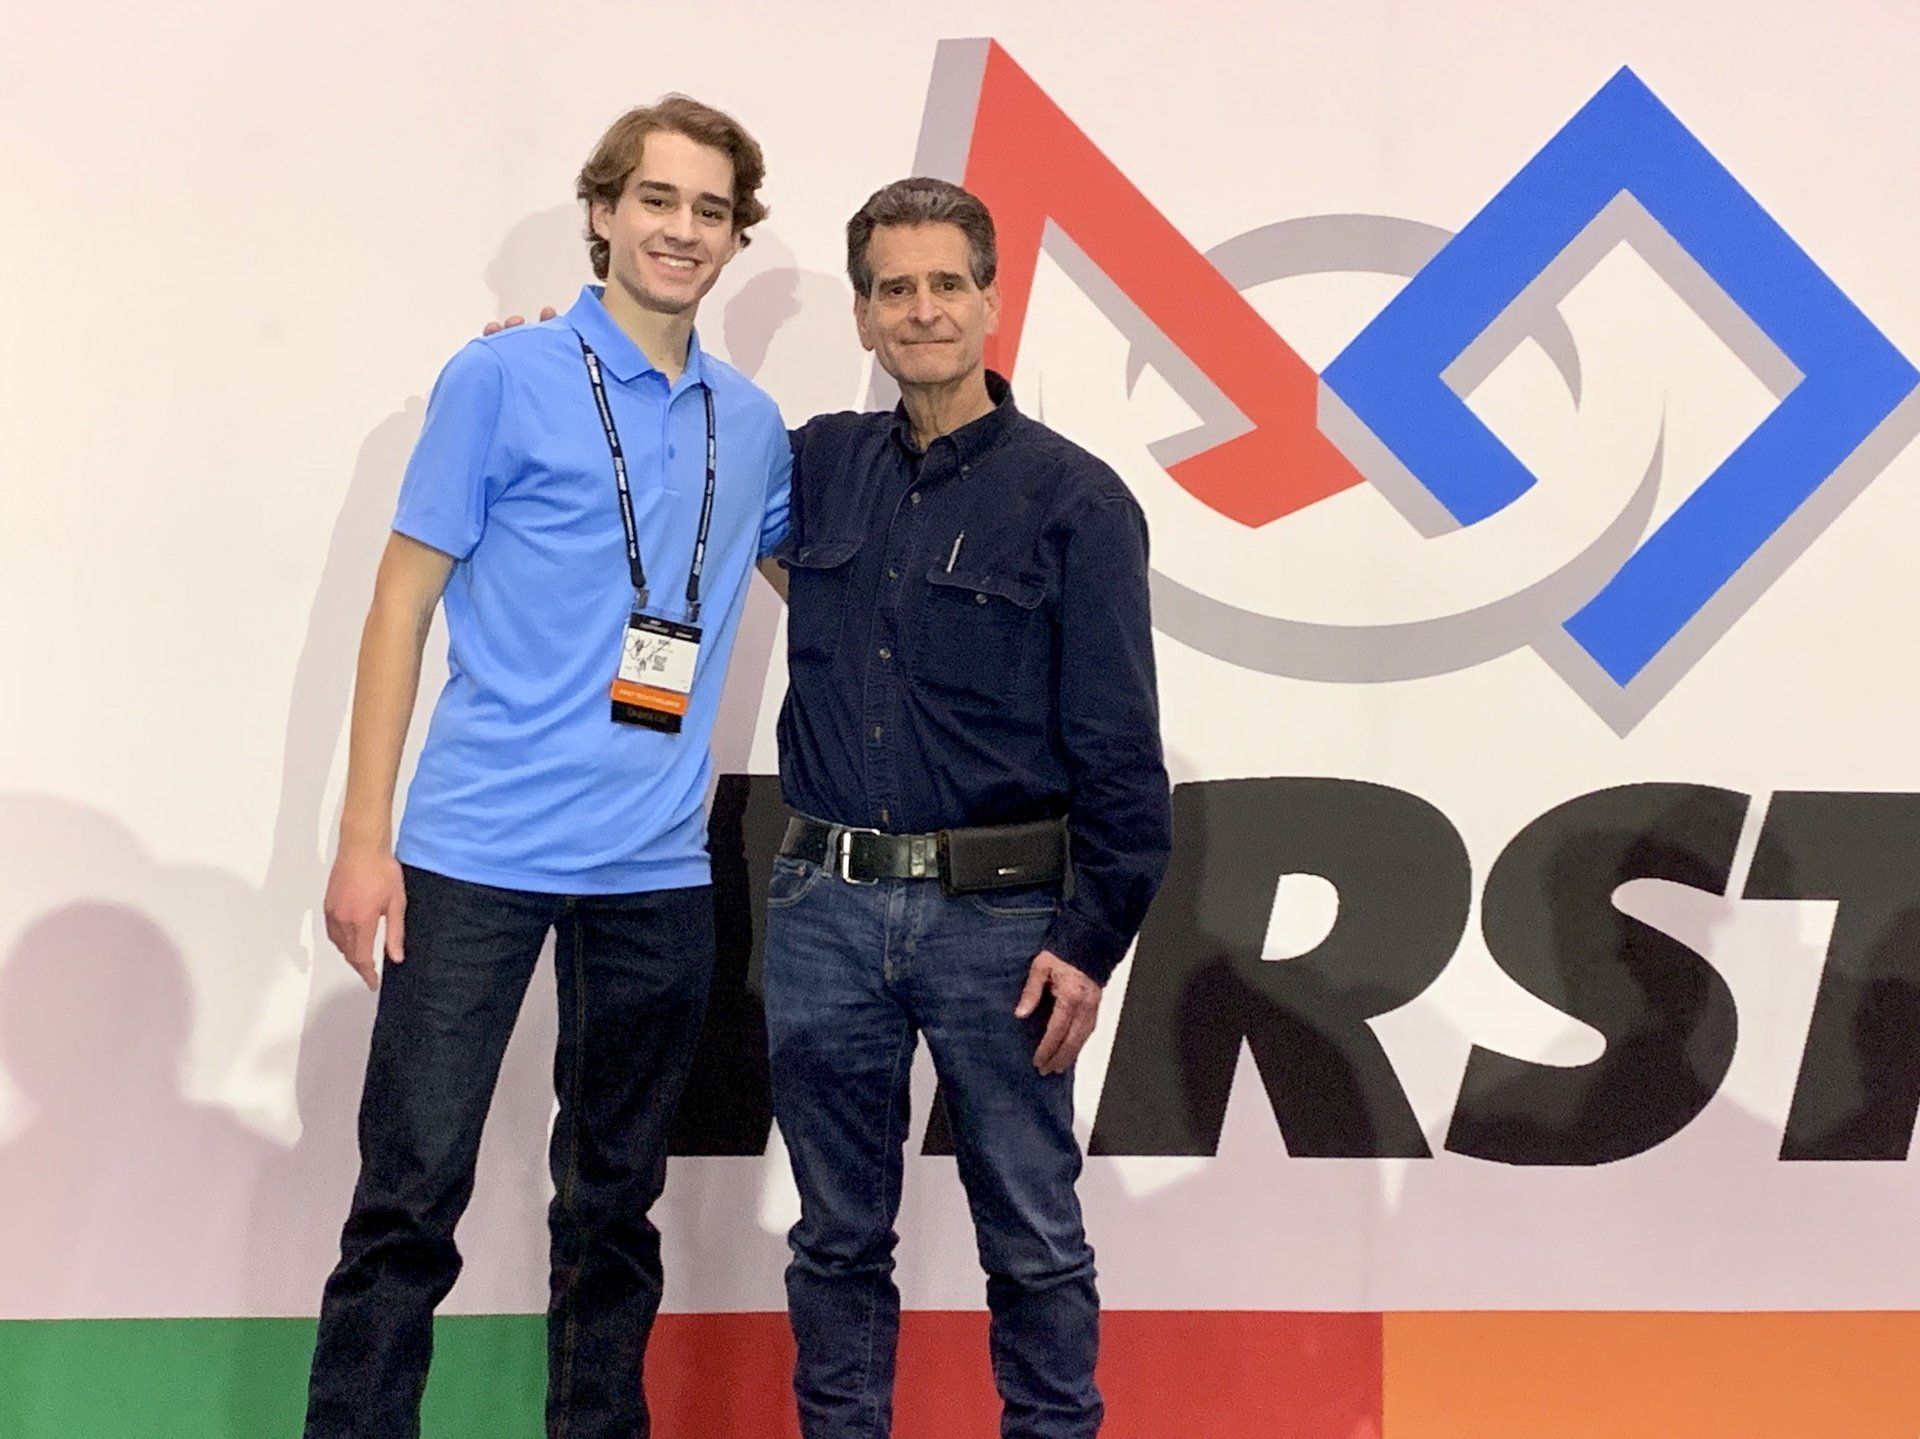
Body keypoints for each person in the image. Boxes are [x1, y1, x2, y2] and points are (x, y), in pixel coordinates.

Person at [304, 96, 790, 1439]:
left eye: (708, 208)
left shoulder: (751, 425)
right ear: (603, 211)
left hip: (654, 871)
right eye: (656, 199)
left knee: (614, 1205)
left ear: (735, 234)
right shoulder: (499, 379)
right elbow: (398, 602)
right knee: (408, 1198)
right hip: (470, 855)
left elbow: (828, 566)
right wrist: (362, 837)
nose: (680, 229)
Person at [767, 177, 1171, 1439]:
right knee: (835, 1238)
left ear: (994, 300)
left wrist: (1092, 939)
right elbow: (682, 475)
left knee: (1036, 1238)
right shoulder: (819, 464)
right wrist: (557, 373)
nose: (924, 310)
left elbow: (1120, 752)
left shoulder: (1077, 500)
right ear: (863, 313)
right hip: (822, 911)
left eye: (949, 284)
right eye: (897, 288)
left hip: (1001, 925)